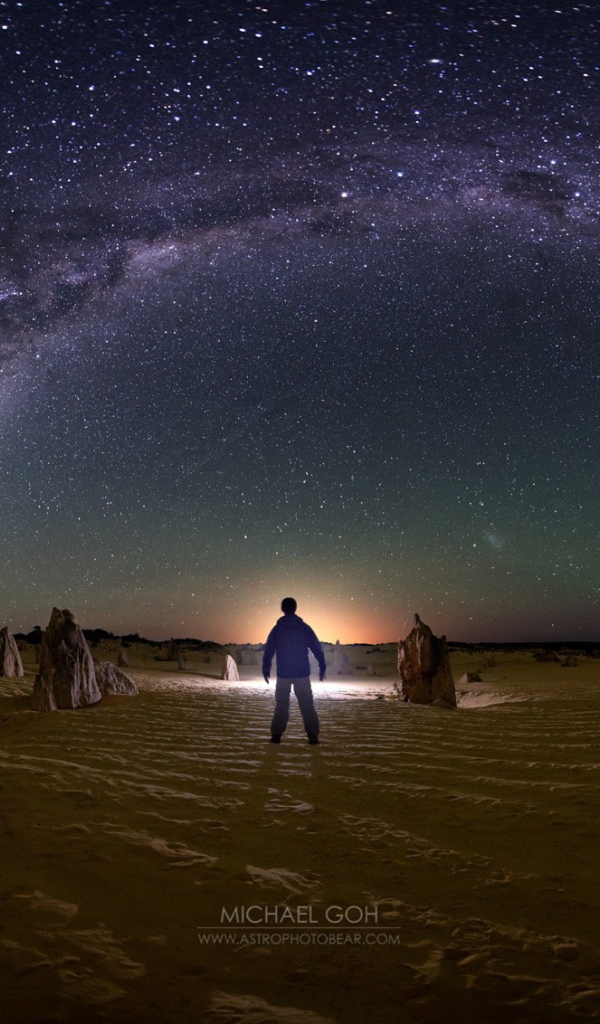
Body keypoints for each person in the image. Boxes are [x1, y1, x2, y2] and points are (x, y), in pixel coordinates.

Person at [262, 597, 326, 744]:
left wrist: (266, 668)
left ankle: (276, 735)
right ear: (295, 609)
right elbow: (316, 647)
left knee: (281, 706)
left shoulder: (277, 629)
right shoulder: (304, 628)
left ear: (283, 609)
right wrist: (322, 665)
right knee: (307, 705)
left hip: (283, 674)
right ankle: (313, 736)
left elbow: (269, 650)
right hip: (301, 673)